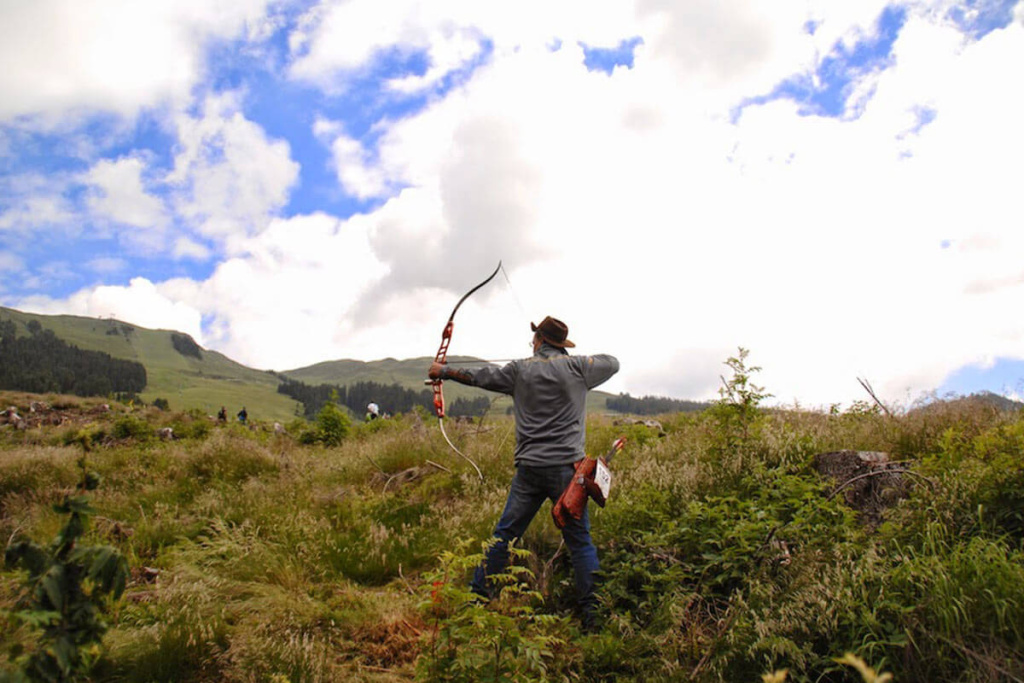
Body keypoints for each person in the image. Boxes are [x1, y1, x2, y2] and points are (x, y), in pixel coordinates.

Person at [428, 315, 619, 629]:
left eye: (535, 339)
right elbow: (612, 362)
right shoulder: (578, 368)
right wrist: (574, 362)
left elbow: (478, 377)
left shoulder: (518, 370)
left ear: (541, 340)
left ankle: (475, 603)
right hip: (565, 472)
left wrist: (443, 371)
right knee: (580, 543)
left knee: (504, 536)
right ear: (561, 344)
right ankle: (593, 619)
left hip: (529, 470)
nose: (531, 343)